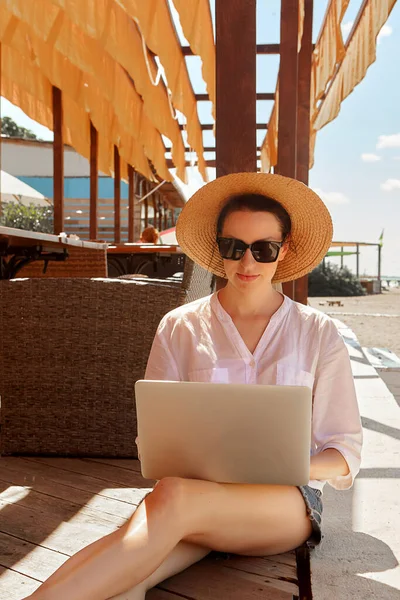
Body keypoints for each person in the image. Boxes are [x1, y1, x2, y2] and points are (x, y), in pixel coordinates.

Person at [25, 173, 362, 600]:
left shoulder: (318, 332)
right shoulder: (180, 327)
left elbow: (344, 454)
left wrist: (278, 463)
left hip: (284, 505)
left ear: (285, 250)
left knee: (168, 505)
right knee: (144, 555)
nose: (247, 263)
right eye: (233, 247)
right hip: (190, 498)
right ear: (218, 247)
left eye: (264, 249)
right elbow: (154, 439)